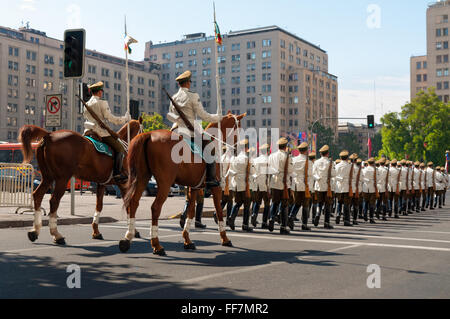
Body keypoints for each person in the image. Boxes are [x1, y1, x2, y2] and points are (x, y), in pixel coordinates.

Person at [167, 70, 222, 188]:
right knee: (210, 147)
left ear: (179, 84)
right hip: (189, 132)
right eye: (190, 82)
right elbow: (203, 115)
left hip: (175, 130)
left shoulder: (174, 97)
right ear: (188, 83)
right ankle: (211, 179)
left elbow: (170, 115)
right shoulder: (193, 96)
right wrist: (217, 118)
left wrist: (178, 120)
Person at [83, 81, 131, 183]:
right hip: (101, 132)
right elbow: (111, 118)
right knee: (120, 149)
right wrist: (125, 119)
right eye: (101, 91)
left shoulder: (86, 104)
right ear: (100, 92)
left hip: (88, 131)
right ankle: (117, 173)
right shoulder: (102, 103)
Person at [227, 139, 253, 232]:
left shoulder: (234, 158)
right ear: (246, 148)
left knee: (238, 203)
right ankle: (245, 224)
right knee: (246, 205)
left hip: (236, 184)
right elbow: (251, 172)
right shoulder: (246, 158)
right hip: (244, 184)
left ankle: (231, 217)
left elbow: (231, 171)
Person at [267, 138, 292, 235]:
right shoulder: (287, 156)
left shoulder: (271, 156)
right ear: (285, 147)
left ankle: (271, 218)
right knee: (284, 205)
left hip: (274, 181)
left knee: (275, 202)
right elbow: (290, 170)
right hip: (283, 182)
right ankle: (283, 227)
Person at [289, 142, 313, 231]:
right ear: (306, 151)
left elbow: (290, 172)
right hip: (305, 185)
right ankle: (304, 224)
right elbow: (310, 174)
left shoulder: (293, 160)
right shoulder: (308, 162)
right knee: (305, 205)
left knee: (297, 203)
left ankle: (291, 216)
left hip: (295, 184)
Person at [313, 145, 336, 230]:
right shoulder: (331, 162)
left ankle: (318, 214)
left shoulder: (316, 162)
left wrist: (318, 178)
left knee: (319, 203)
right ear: (327, 153)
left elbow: (313, 173)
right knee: (327, 205)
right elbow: (334, 174)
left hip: (318, 185)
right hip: (327, 186)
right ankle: (326, 223)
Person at [251, 144, 271, 229]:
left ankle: (254, 214)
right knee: (267, 204)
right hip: (265, 184)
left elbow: (252, 172)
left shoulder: (255, 160)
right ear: (267, 150)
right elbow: (269, 174)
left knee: (257, 202)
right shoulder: (268, 160)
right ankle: (264, 222)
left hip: (256, 183)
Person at [335, 151, 353, 227]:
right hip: (346, 186)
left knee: (339, 202)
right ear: (347, 157)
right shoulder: (349, 166)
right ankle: (346, 220)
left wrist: (340, 179)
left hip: (339, 186)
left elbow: (334, 175)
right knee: (346, 204)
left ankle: (338, 213)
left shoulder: (337, 166)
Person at [362, 158, 378, 224]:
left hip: (365, 187)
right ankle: (371, 218)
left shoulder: (364, 169)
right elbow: (377, 179)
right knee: (372, 203)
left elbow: (361, 178)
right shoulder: (375, 170)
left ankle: (365, 214)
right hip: (372, 187)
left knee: (365, 202)